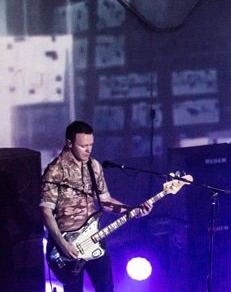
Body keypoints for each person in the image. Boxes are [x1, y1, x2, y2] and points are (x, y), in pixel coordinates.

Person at [40, 120, 153, 292]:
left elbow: (106, 201)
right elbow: (46, 212)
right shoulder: (55, 171)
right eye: (83, 145)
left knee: (106, 288)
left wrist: (133, 211)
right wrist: (63, 244)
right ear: (69, 143)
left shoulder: (94, 166)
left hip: (95, 239)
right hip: (68, 246)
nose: (88, 150)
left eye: (91, 145)